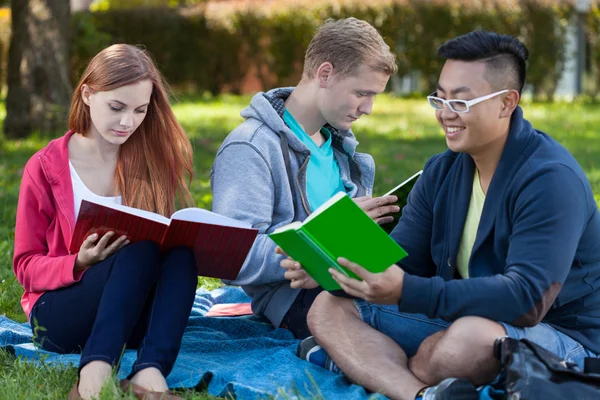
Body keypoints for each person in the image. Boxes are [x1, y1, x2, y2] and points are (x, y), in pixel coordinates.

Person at [290, 31, 600, 400]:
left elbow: (527, 300)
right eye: (440, 98)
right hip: (466, 317)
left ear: (506, 102)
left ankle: (366, 362)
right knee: (328, 308)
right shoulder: (442, 171)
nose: (444, 113)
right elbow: (400, 261)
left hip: (563, 335)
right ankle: (421, 393)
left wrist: (407, 293)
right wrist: (332, 265)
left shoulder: (548, 179)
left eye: (461, 103)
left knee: (462, 343)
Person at [13, 44, 198, 400]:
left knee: (180, 255)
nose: (128, 121)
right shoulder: (45, 167)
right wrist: (79, 262)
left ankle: (150, 373)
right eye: (116, 107)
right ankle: (93, 377)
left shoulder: (151, 161)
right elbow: (25, 266)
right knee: (139, 251)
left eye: (140, 110)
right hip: (59, 316)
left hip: (131, 314)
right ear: (87, 94)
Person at [210, 17, 400, 339]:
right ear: (324, 74)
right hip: (296, 302)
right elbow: (230, 254)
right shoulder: (252, 146)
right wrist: (325, 240)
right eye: (361, 93)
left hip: (351, 280)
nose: (367, 108)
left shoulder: (338, 144)